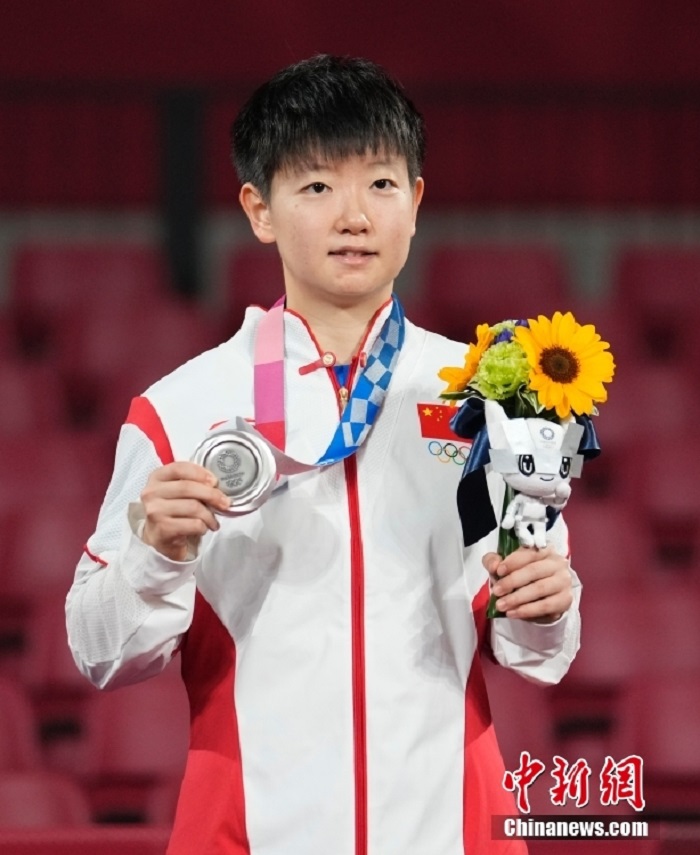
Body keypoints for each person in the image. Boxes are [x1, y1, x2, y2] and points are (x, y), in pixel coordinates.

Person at [66, 54, 580, 855]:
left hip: (451, 827)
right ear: (258, 209)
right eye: (315, 187)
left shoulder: (491, 396)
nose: (353, 215)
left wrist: (546, 605)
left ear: (414, 202)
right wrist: (153, 554)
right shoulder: (180, 407)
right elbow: (100, 650)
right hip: (248, 829)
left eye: (380, 184)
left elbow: (533, 648)